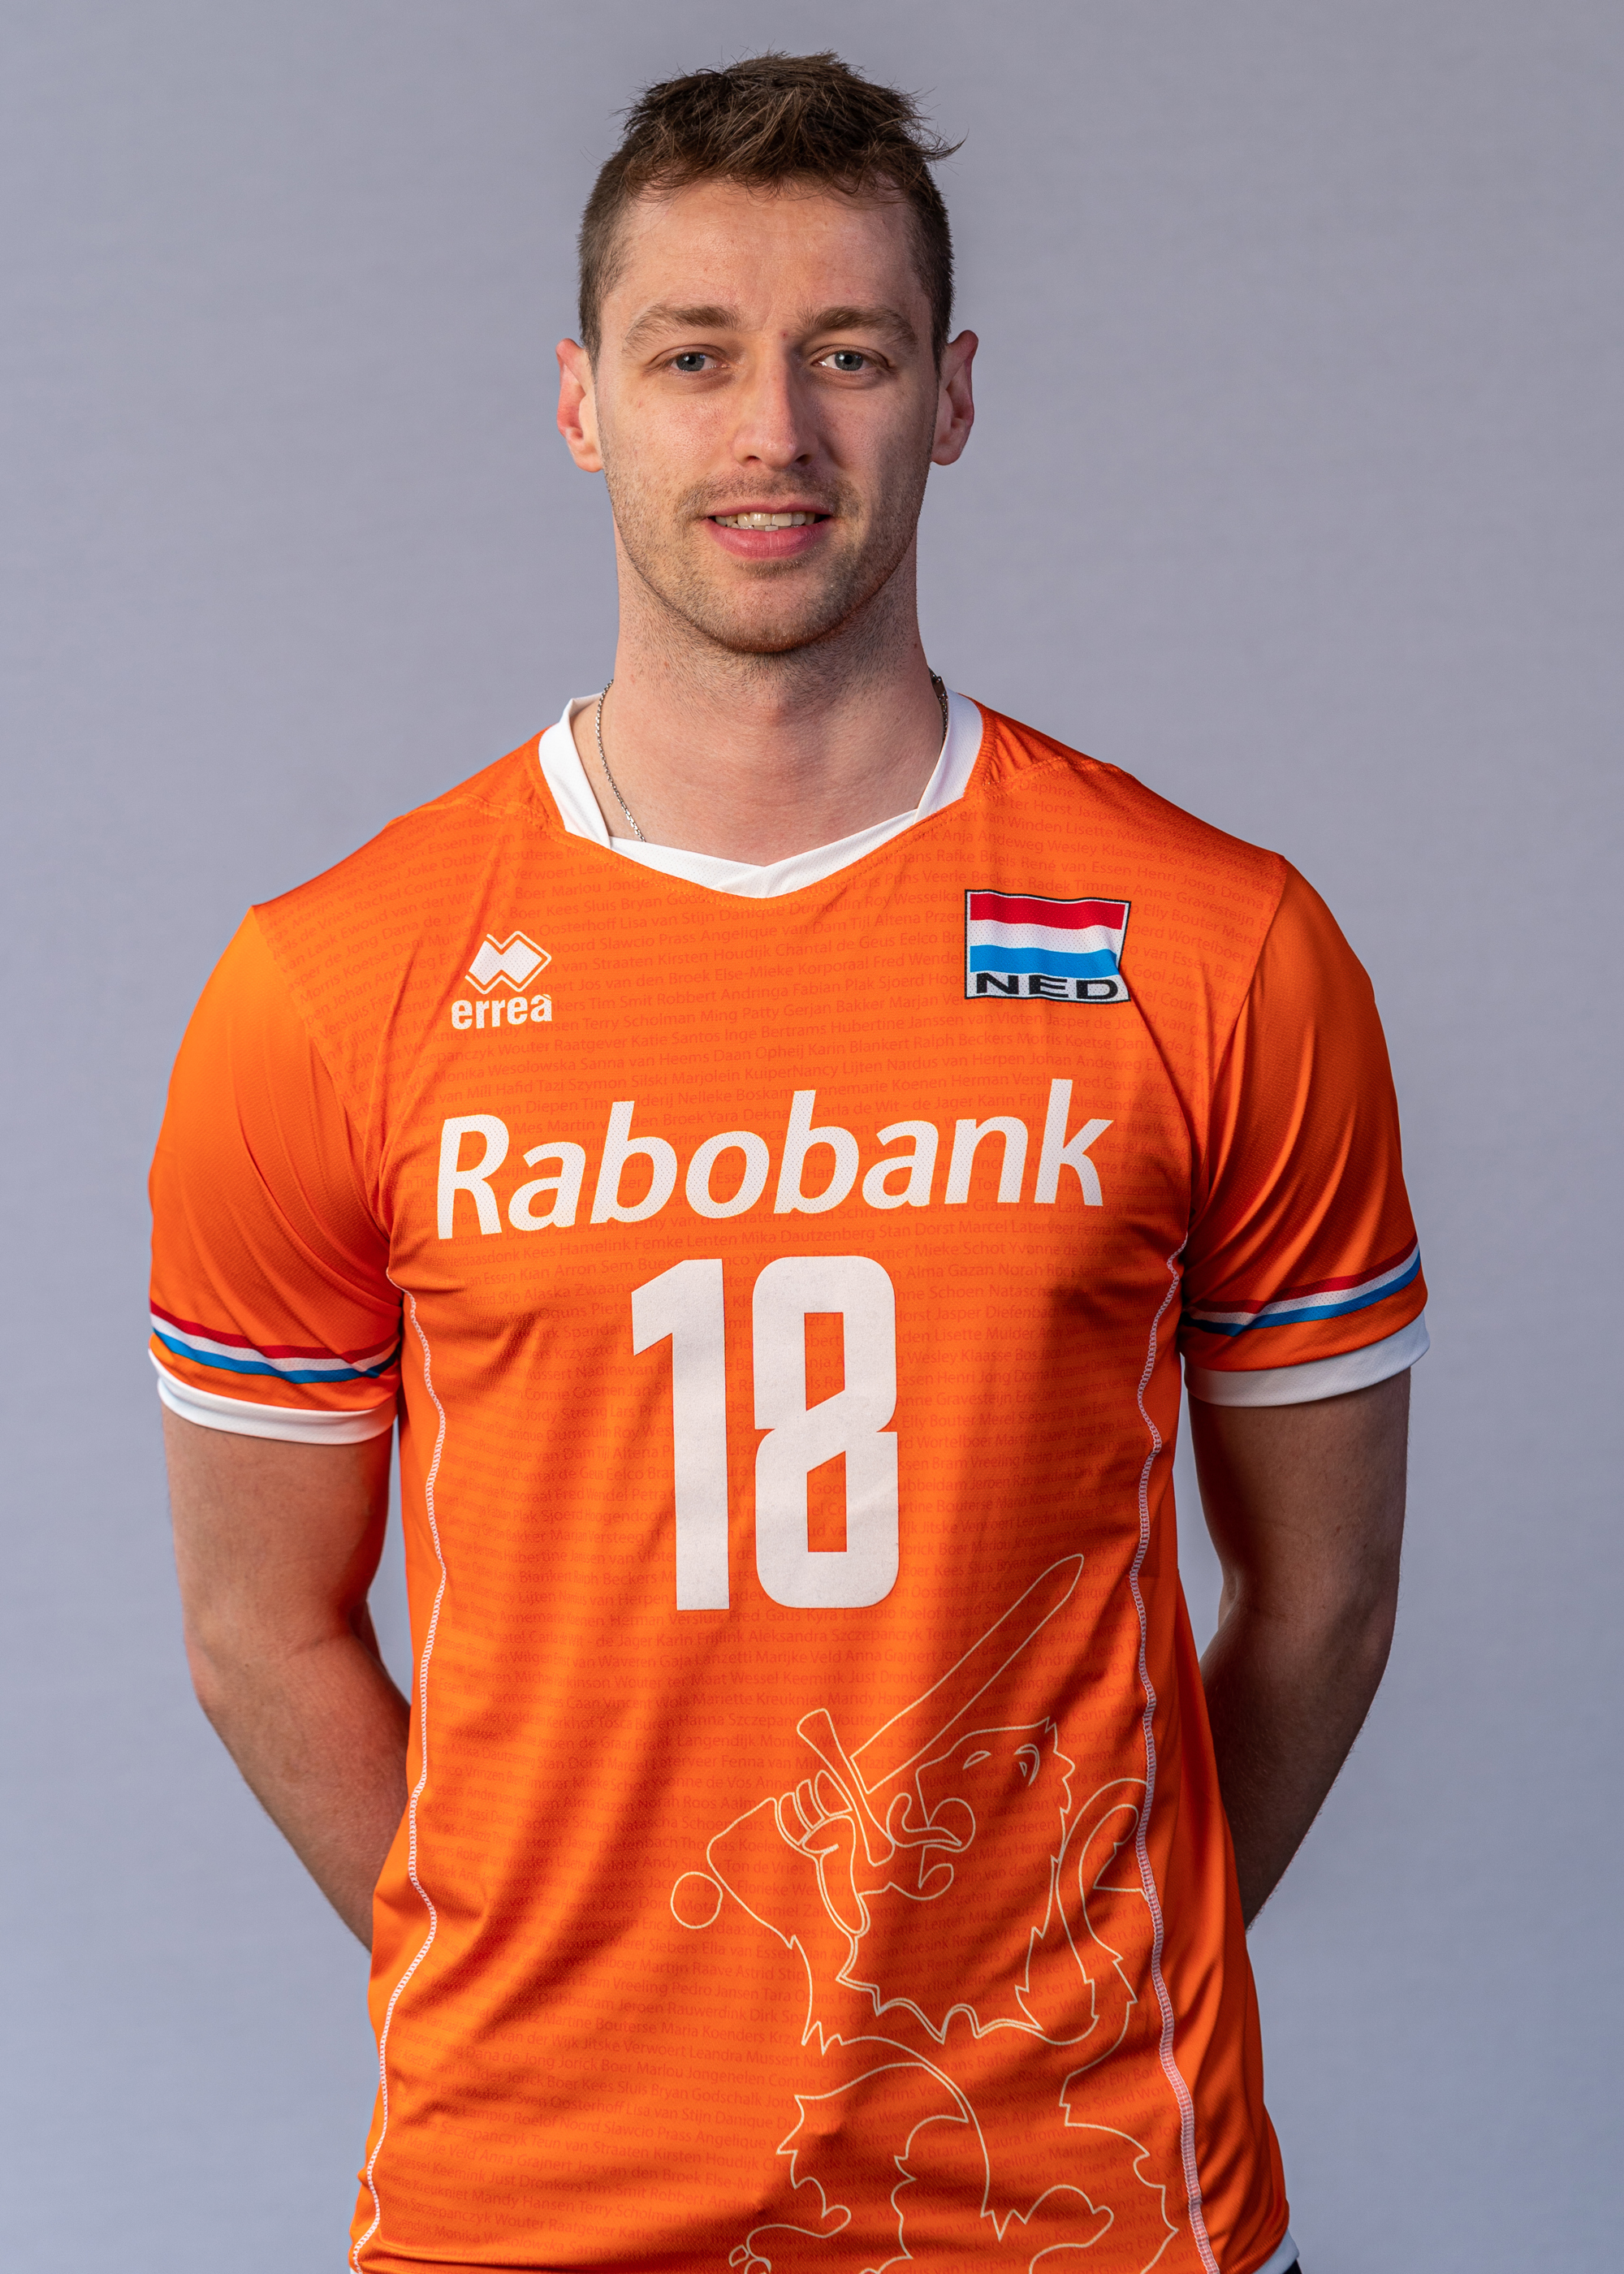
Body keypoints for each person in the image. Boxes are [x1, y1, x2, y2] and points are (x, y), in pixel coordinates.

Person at [151, 52, 1425, 2274]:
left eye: (848, 353)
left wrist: (1090, 1965)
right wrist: (538, 1989)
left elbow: (1322, 1600)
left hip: (1089, 2206)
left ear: (952, 397)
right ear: (581, 403)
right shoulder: (333, 986)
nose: (773, 433)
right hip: (528, 2205)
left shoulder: (1220, 948)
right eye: (693, 357)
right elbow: (258, 1627)